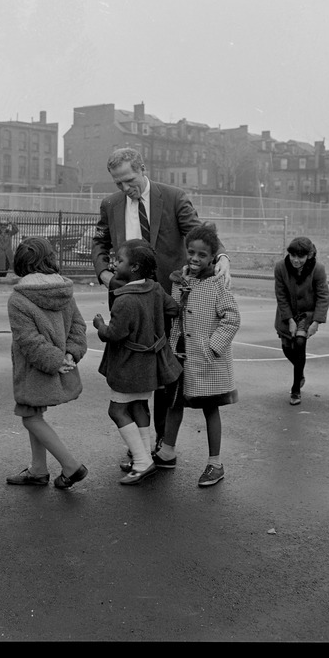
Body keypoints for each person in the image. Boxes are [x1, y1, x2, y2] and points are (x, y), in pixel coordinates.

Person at [91, 146, 231, 452]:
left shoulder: (174, 197)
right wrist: (104, 274)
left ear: (142, 168)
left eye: (129, 180)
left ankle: (160, 443)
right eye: (118, 183)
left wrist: (221, 256)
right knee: (132, 375)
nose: (125, 189)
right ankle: (139, 447)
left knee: (166, 372)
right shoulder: (111, 204)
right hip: (127, 302)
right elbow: (100, 242)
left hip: (167, 300)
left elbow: (198, 233)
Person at [153, 224, 240, 487]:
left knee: (210, 408)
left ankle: (215, 463)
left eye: (202, 255)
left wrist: (212, 347)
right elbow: (178, 314)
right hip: (179, 353)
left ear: (213, 257)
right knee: (174, 403)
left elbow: (232, 319)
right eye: (191, 252)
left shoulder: (218, 285)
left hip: (206, 359)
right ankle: (167, 450)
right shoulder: (180, 280)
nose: (194, 258)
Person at [93, 240, 182, 485]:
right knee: (140, 406)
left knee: (117, 410)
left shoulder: (124, 300)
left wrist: (100, 325)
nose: (114, 263)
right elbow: (173, 308)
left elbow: (114, 335)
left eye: (119, 261)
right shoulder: (154, 288)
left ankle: (142, 463)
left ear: (133, 268)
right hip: (150, 365)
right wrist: (153, 327)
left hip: (127, 365)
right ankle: (145, 457)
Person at [6, 237, 89, 489]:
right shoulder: (63, 291)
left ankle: (71, 466)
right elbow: (78, 326)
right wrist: (70, 355)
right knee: (34, 412)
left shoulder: (19, 299)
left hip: (34, 368)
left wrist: (54, 361)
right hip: (56, 363)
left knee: (29, 416)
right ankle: (38, 470)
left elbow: (29, 341)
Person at [274, 236, 329, 406]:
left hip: (307, 314)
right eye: (292, 256)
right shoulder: (280, 268)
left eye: (300, 257)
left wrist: (316, 322)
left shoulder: (318, 269)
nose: (295, 260)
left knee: (299, 342)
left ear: (309, 256)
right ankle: (301, 371)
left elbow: (323, 296)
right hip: (287, 312)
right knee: (287, 348)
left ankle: (296, 388)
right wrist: (289, 319)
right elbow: (281, 296)